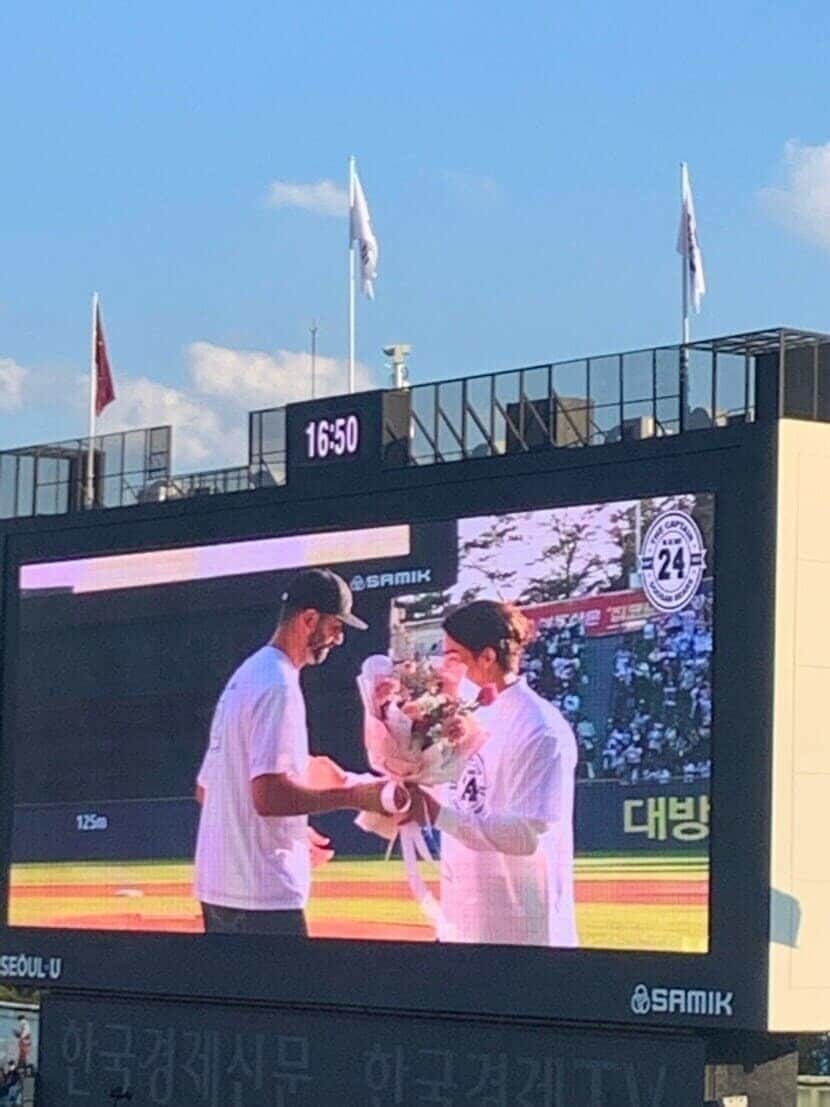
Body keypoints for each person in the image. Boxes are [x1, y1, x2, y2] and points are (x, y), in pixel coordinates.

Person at [194, 568, 395, 936]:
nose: (338, 639)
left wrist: (295, 830)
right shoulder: (279, 685)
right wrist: (356, 796)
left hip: (221, 889)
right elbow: (269, 796)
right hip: (262, 893)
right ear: (310, 620)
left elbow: (206, 789)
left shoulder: (247, 675)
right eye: (335, 626)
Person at [407, 600, 579, 947]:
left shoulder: (539, 728)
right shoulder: (464, 716)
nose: (445, 666)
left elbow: (525, 835)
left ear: (486, 657)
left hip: (522, 933)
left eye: (454, 656)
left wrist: (437, 814)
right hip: (461, 923)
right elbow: (449, 794)